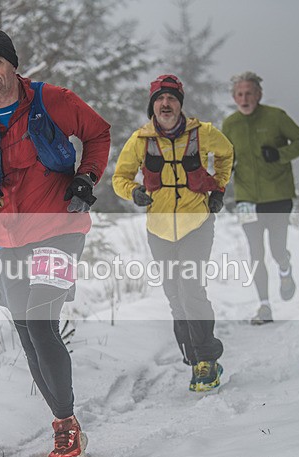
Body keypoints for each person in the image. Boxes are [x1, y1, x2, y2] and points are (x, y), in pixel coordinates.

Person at [0, 30, 110, 457]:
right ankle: (65, 420)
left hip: (60, 227)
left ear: (13, 66)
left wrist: (86, 178)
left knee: (40, 323)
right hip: (8, 239)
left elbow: (98, 135)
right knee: (26, 330)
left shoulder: (52, 100)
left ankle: (65, 426)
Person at [112, 74, 233, 392]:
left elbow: (226, 154)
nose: (166, 104)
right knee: (175, 297)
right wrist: (134, 191)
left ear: (180, 104)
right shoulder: (140, 140)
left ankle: (205, 360)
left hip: (197, 223)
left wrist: (218, 188)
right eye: (160, 99)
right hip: (160, 229)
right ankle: (196, 356)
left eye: (172, 99)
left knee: (191, 290)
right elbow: (119, 177)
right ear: (152, 105)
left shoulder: (202, 133)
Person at [221, 71, 299, 325]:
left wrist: (280, 154)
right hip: (246, 198)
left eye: (249, 93)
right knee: (256, 253)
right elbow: (226, 156)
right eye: (239, 94)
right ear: (233, 97)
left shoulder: (276, 117)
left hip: (278, 195)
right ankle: (264, 306)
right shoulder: (230, 124)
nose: (244, 98)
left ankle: (285, 268)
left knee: (277, 249)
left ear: (259, 94)